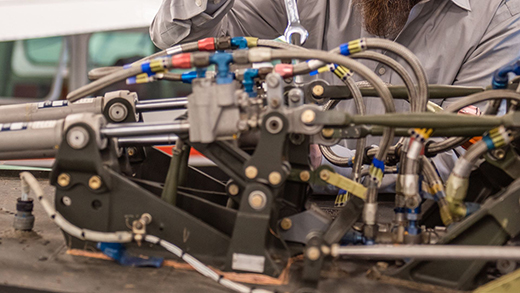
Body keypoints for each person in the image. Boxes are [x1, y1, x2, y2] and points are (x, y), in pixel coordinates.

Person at [150, 0, 520, 184]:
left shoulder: (502, 15)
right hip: (295, 211)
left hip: (415, 235)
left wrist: (315, 161)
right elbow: (178, 37)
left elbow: (456, 162)